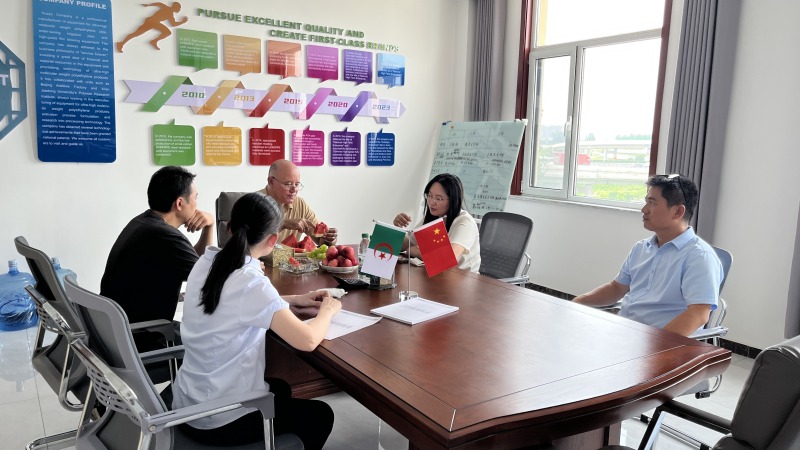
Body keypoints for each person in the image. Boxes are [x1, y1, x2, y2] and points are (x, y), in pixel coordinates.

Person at [172, 192, 340, 449]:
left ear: (229, 228)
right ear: (274, 240)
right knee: (320, 415)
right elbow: (307, 340)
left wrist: (293, 298)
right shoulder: (251, 281)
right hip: (221, 420)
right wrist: (328, 309)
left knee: (281, 388)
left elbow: (230, 300)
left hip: (188, 404)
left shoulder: (206, 262)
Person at [573, 174, 724, 336]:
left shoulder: (699, 257)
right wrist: (576, 303)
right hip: (625, 332)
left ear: (678, 211)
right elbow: (616, 288)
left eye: (652, 203)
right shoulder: (641, 248)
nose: (644, 210)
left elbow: (699, 313)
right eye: (646, 202)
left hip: (660, 342)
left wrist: (654, 346)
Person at [100, 166, 214, 350]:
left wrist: (209, 227)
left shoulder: (143, 222)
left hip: (116, 334)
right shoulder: (164, 235)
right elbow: (210, 277)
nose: (197, 204)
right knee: (215, 348)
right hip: (144, 340)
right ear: (179, 203)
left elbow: (198, 266)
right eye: (195, 197)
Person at [393, 173, 481, 273]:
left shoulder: (465, 222)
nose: (431, 202)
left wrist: (414, 250)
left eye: (439, 198)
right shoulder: (435, 216)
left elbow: (446, 259)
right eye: (429, 196)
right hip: (438, 275)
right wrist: (397, 229)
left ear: (453, 200)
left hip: (463, 281)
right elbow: (407, 244)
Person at [259, 159, 338, 245]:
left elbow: (321, 241)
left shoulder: (300, 204)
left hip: (289, 258)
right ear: (271, 181)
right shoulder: (252, 203)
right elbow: (250, 244)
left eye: (297, 184)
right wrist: (282, 224)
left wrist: (330, 238)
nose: (294, 190)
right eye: (288, 184)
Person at [116, 2, 188, 52]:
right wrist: (183, 21)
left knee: (167, 32)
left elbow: (159, 4)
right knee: (136, 34)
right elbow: (173, 24)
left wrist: (148, 5)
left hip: (154, 23)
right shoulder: (169, 11)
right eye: (179, 8)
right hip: (150, 22)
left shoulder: (169, 11)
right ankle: (121, 43)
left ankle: (154, 41)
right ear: (175, 7)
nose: (179, 9)